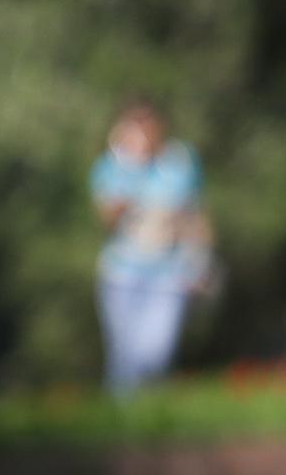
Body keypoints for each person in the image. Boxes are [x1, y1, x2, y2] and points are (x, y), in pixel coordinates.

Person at [89, 100, 210, 394]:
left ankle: (151, 414)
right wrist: (131, 169)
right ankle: (122, 421)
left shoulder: (181, 161)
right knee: (125, 355)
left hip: (170, 270)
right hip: (122, 273)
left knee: (156, 351)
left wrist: (201, 259)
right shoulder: (110, 165)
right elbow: (108, 219)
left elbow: (196, 212)